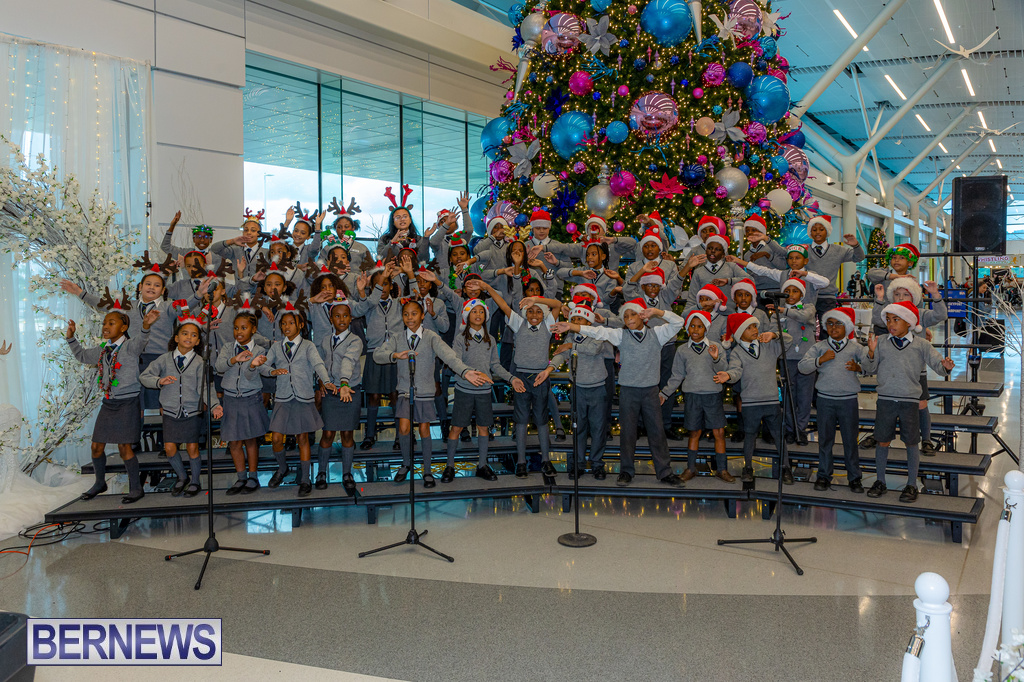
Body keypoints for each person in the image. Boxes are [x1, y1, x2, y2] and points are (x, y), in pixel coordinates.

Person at [551, 299, 686, 488]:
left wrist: (657, 312)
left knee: (657, 432)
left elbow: (679, 322)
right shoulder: (621, 335)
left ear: (642, 315)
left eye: (633, 314)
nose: (629, 318)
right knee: (628, 433)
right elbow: (598, 331)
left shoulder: (657, 334)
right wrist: (572, 326)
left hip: (650, 391)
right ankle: (626, 471)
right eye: (626, 316)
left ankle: (665, 472)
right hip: (628, 391)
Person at [373, 299, 490, 487]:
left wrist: (465, 371)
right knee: (403, 428)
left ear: (422, 316)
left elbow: (449, 356)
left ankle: (427, 471)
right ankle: (406, 464)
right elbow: (377, 355)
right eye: (406, 314)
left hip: (425, 392)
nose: (410, 318)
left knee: (424, 429)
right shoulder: (397, 337)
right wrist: (394, 355)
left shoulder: (431, 336)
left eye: (414, 314)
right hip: (405, 391)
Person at [66, 296, 160, 503]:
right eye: (104, 323)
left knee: (124, 448)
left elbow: (142, 339)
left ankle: (136, 488)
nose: (106, 327)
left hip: (128, 403)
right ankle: (100, 482)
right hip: (109, 403)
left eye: (111, 323)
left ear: (124, 327)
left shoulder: (130, 347)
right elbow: (82, 356)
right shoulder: (103, 349)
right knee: (96, 446)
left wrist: (146, 325)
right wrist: (71, 338)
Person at [867, 300, 954, 503]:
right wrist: (871, 352)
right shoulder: (881, 342)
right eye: (888, 320)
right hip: (886, 400)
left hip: (910, 401)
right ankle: (880, 481)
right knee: (882, 440)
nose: (891, 324)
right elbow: (869, 369)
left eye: (896, 319)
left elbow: (938, 364)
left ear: (909, 322)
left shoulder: (921, 344)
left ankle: (912, 484)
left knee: (911, 442)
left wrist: (946, 366)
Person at [256, 300, 336, 497]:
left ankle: (306, 479)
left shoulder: (308, 345)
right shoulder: (277, 347)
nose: (287, 327)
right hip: (283, 398)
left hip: (303, 398)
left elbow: (318, 365)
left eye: (291, 323)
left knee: (302, 438)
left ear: (300, 325)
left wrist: (326, 381)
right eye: (283, 324)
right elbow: (263, 366)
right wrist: (272, 371)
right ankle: (282, 468)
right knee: (276, 438)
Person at [140, 314, 223, 497]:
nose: (189, 337)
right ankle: (182, 476)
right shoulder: (164, 359)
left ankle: (195, 481)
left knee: (192, 448)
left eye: (194, 335)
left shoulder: (201, 362)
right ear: (176, 338)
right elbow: (144, 376)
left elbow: (206, 388)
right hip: (170, 411)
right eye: (185, 333)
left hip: (192, 412)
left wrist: (214, 405)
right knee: (170, 447)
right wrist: (159, 381)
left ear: (198, 341)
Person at [486, 286, 563, 479]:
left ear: (544, 315)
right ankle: (521, 462)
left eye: (538, 312)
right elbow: (503, 305)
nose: (534, 315)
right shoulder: (519, 323)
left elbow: (557, 304)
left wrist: (536, 299)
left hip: (540, 378)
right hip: (521, 377)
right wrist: (487, 287)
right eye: (530, 311)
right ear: (525, 313)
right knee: (521, 421)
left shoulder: (548, 325)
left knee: (542, 420)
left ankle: (546, 460)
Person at [444, 299, 522, 482]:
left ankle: (482, 465)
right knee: (456, 427)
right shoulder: (460, 339)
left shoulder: (491, 340)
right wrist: (473, 373)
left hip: (484, 392)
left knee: (483, 428)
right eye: (474, 311)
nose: (478, 315)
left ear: (486, 316)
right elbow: (455, 363)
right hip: (464, 390)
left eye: (481, 312)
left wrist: (511, 378)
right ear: (467, 316)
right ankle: (450, 466)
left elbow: (495, 365)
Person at [798, 307, 872, 493]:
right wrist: (820, 360)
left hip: (848, 401)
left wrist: (859, 368)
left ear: (847, 327)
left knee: (850, 440)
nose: (833, 327)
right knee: (825, 440)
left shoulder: (855, 347)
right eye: (829, 323)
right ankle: (824, 476)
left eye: (838, 323)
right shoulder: (819, 347)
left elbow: (872, 367)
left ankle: (854, 478)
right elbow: (802, 367)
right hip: (825, 401)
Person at [659, 309, 734, 482]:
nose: (695, 329)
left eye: (700, 326)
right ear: (687, 328)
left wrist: (716, 358)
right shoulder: (682, 350)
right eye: (692, 326)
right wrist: (664, 393)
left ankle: (722, 469)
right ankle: (691, 468)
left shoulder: (716, 347)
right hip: (692, 396)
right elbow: (677, 375)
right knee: (694, 432)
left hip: (712, 395)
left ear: (706, 328)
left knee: (719, 432)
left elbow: (724, 370)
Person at [721, 312, 793, 484]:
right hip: (750, 403)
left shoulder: (768, 345)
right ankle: (748, 467)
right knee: (750, 435)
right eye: (749, 327)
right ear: (740, 333)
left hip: (771, 400)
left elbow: (789, 340)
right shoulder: (737, 352)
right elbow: (735, 371)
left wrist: (774, 334)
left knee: (778, 435)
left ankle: (786, 467)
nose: (755, 329)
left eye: (755, 326)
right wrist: (728, 375)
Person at [546, 301, 612, 479]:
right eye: (573, 319)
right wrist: (550, 368)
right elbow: (561, 353)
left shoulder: (597, 334)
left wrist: (571, 346)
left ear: (588, 322)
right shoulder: (570, 338)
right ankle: (579, 463)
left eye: (579, 319)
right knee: (579, 427)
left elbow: (593, 349)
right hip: (578, 388)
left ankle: (597, 463)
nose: (575, 322)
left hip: (597, 388)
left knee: (598, 428)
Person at [215, 304, 270, 495]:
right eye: (236, 328)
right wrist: (234, 359)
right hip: (231, 399)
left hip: (250, 398)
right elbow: (219, 368)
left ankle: (253, 477)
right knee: (234, 441)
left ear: (253, 329)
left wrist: (252, 365)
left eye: (244, 328)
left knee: (250, 440)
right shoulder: (227, 347)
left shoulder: (259, 350)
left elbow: (252, 375)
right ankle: (241, 477)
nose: (239, 331)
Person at [317, 295, 363, 494]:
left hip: (349, 390)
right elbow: (319, 363)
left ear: (350, 318)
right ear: (331, 319)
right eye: (337, 316)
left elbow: (348, 360)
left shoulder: (356, 340)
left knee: (347, 433)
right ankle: (321, 472)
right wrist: (321, 380)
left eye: (345, 316)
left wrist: (344, 382)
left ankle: (347, 473)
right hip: (331, 391)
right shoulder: (325, 340)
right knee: (327, 433)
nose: (342, 319)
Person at [803, 215, 865, 336]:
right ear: (810, 232)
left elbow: (859, 257)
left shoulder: (838, 250)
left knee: (827, 331)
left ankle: (827, 348)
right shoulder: (804, 250)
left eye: (821, 229)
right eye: (814, 229)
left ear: (827, 231)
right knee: (806, 331)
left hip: (828, 297)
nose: (818, 232)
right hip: (807, 297)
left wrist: (856, 245)